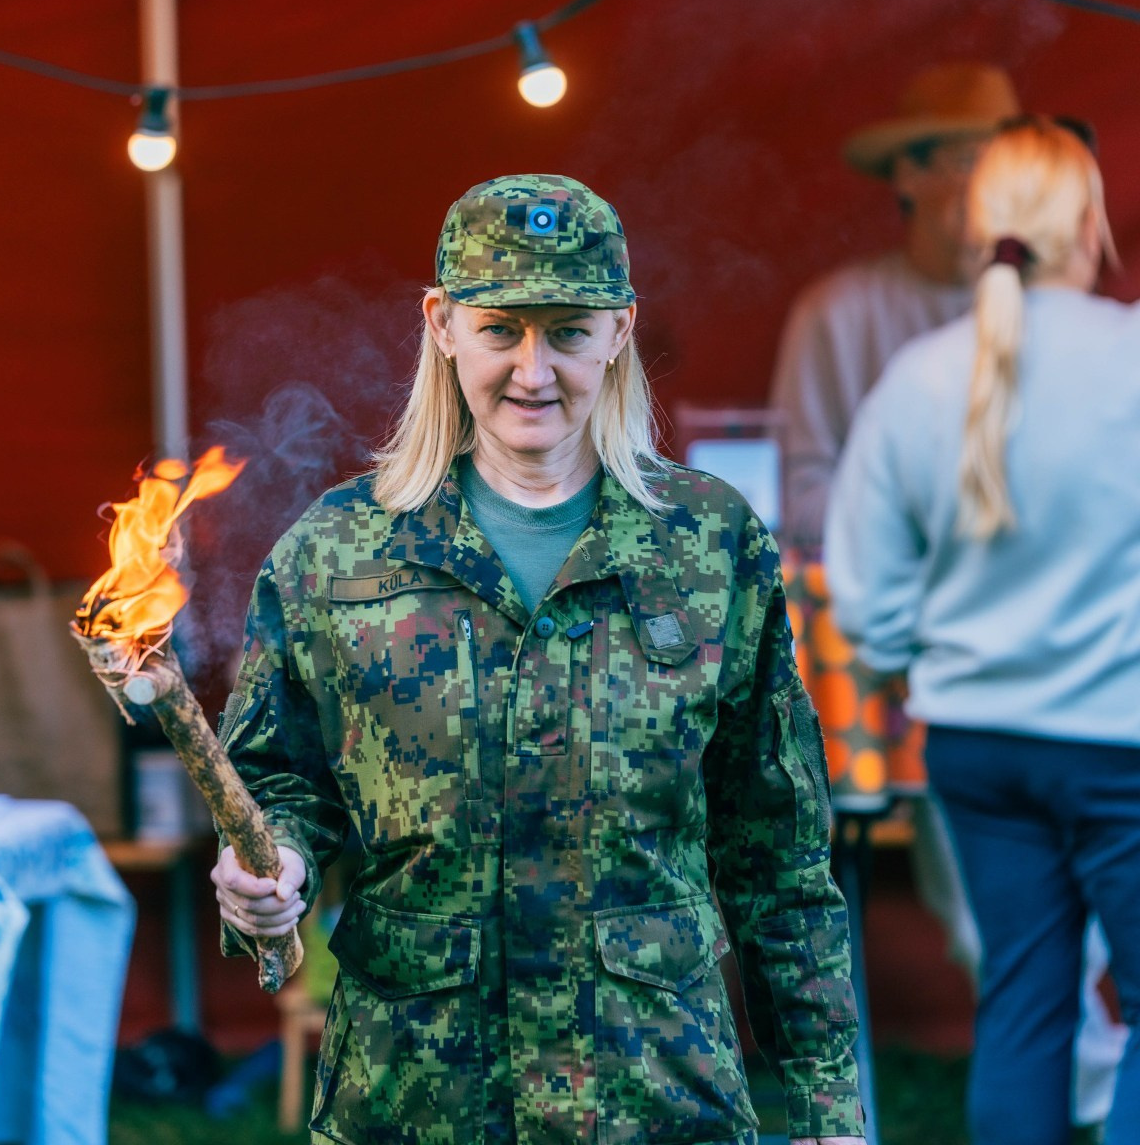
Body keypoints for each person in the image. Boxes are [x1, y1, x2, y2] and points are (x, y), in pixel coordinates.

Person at [209, 174, 864, 1144]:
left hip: (652, 1091)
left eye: (566, 329)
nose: (532, 367)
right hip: (417, 1095)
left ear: (618, 330)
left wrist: (824, 1106)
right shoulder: (337, 549)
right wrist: (269, 868)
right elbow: (278, 778)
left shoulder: (706, 542)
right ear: (441, 324)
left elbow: (776, 848)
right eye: (500, 328)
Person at [826, 119, 1140, 1145]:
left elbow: (862, 598)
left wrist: (922, 669)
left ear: (976, 229)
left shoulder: (916, 376)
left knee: (1021, 1001)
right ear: (1089, 221)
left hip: (974, 746)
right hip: (1121, 738)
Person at [770, 61, 1020, 551]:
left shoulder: (1049, 315)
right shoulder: (836, 312)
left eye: (1009, 167)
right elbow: (793, 498)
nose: (993, 187)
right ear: (908, 175)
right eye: (970, 162)